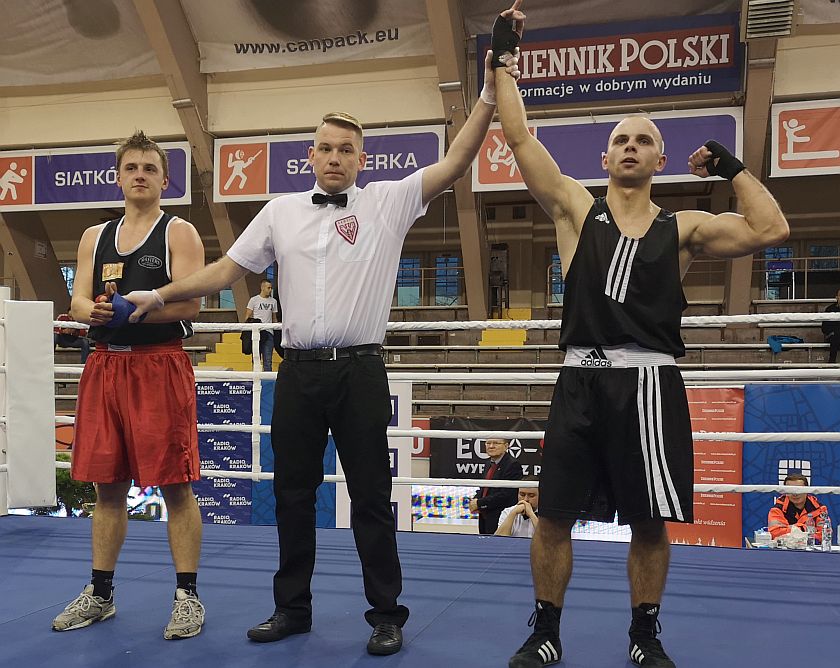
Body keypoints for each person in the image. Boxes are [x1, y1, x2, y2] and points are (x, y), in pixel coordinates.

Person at [123, 30, 519, 654]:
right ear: (310, 155)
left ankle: (386, 613)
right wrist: (159, 295)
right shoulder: (280, 211)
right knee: (292, 496)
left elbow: (457, 161)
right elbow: (227, 270)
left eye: (347, 150)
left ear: (362, 159)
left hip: (361, 371)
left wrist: (491, 93)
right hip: (300, 373)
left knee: (370, 498)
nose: (335, 157)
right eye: (326, 148)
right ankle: (292, 608)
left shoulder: (389, 203)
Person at [491, 3, 790, 666]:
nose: (630, 147)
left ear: (658, 158)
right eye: (621, 139)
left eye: (642, 140)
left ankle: (644, 634)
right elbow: (516, 137)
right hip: (579, 381)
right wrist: (504, 54)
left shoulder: (682, 228)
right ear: (605, 155)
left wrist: (734, 168)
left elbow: (771, 230)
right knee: (557, 515)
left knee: (651, 522)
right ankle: (544, 631)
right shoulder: (574, 206)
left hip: (651, 383)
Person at [51, 131, 207, 640]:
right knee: (107, 485)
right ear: (118, 177)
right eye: (131, 167)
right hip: (105, 365)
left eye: (149, 168)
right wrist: (94, 309)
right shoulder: (95, 236)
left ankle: (187, 596)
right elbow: (76, 303)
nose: (140, 174)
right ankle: (100, 592)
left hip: (158, 364)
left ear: (165, 179)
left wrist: (139, 307)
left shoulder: (178, 232)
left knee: (175, 485)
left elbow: (192, 304)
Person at [468, 437, 522, 534]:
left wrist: (480, 503)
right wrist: (475, 500)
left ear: (506, 446)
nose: (491, 446)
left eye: (496, 443)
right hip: (485, 516)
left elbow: (506, 495)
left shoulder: (512, 465)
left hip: (500, 517)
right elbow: (484, 488)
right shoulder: (488, 463)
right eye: (488, 443)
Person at [768, 473, 830, 543]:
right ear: (785, 492)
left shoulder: (820, 509)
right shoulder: (776, 510)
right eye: (791, 490)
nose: (795, 494)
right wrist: (804, 529)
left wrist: (792, 531)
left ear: (807, 490)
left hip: (812, 550)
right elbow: (775, 534)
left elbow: (824, 535)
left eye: (799, 490)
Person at [244, 279, 279, 371]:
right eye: (268, 288)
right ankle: (256, 381)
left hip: (269, 332)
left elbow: (274, 317)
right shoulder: (254, 300)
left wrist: (276, 328)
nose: (270, 290)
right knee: (256, 359)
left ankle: (268, 384)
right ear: (262, 288)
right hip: (257, 332)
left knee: (268, 360)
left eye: (271, 288)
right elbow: (247, 317)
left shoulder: (273, 301)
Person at [821, 288, 840, 363]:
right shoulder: (829, 309)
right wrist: (832, 332)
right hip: (833, 336)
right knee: (836, 335)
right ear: (837, 297)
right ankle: (832, 362)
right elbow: (824, 328)